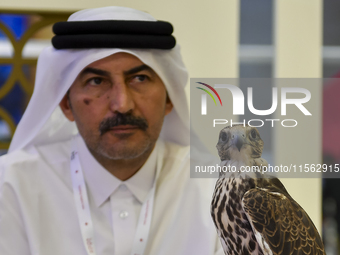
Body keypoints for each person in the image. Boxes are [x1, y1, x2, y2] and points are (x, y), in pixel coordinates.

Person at [0, 6, 223, 255]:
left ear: (170, 98)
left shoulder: (219, 190)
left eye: (139, 79)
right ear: (66, 104)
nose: (122, 104)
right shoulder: (11, 187)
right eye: (96, 81)